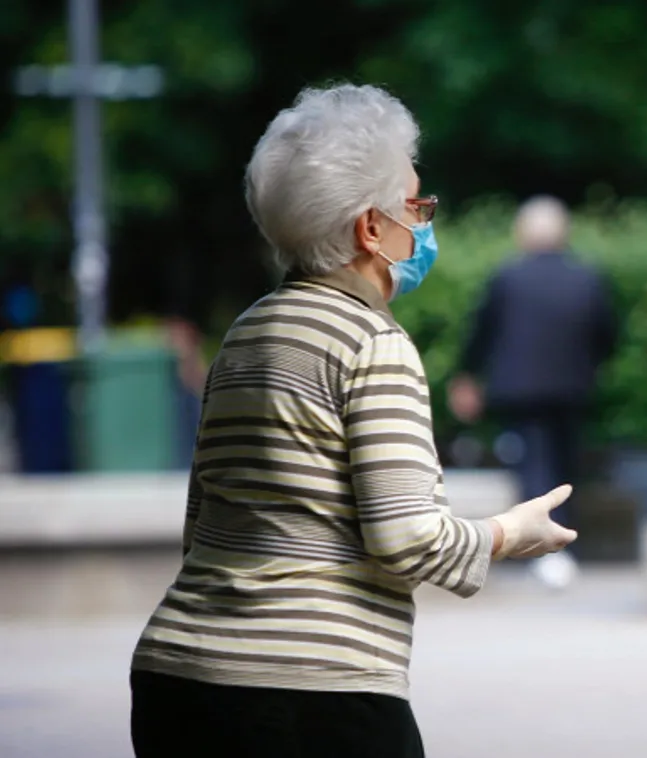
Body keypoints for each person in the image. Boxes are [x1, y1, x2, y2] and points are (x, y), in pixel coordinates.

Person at [128, 84, 577, 758]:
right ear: (372, 228)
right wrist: (507, 534)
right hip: (313, 693)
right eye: (416, 206)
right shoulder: (373, 343)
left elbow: (203, 518)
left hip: (177, 674)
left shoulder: (247, 331)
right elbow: (405, 539)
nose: (424, 225)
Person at [448, 195, 619, 590]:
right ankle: (563, 548)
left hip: (518, 390)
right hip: (573, 387)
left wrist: (467, 376)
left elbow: (481, 333)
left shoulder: (507, 276)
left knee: (533, 467)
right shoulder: (587, 276)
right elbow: (608, 334)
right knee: (565, 467)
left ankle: (542, 550)